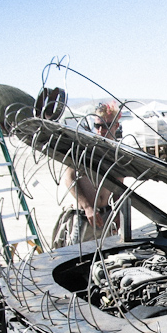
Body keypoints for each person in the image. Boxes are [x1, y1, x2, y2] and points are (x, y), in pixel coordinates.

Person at [55, 103, 121, 246]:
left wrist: (119, 211)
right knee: (79, 258)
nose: (101, 130)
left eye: (106, 125)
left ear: (116, 125)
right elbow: (69, 178)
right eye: (97, 126)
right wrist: (87, 207)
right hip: (84, 216)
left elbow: (119, 185)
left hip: (106, 214)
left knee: (107, 255)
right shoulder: (84, 148)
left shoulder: (116, 153)